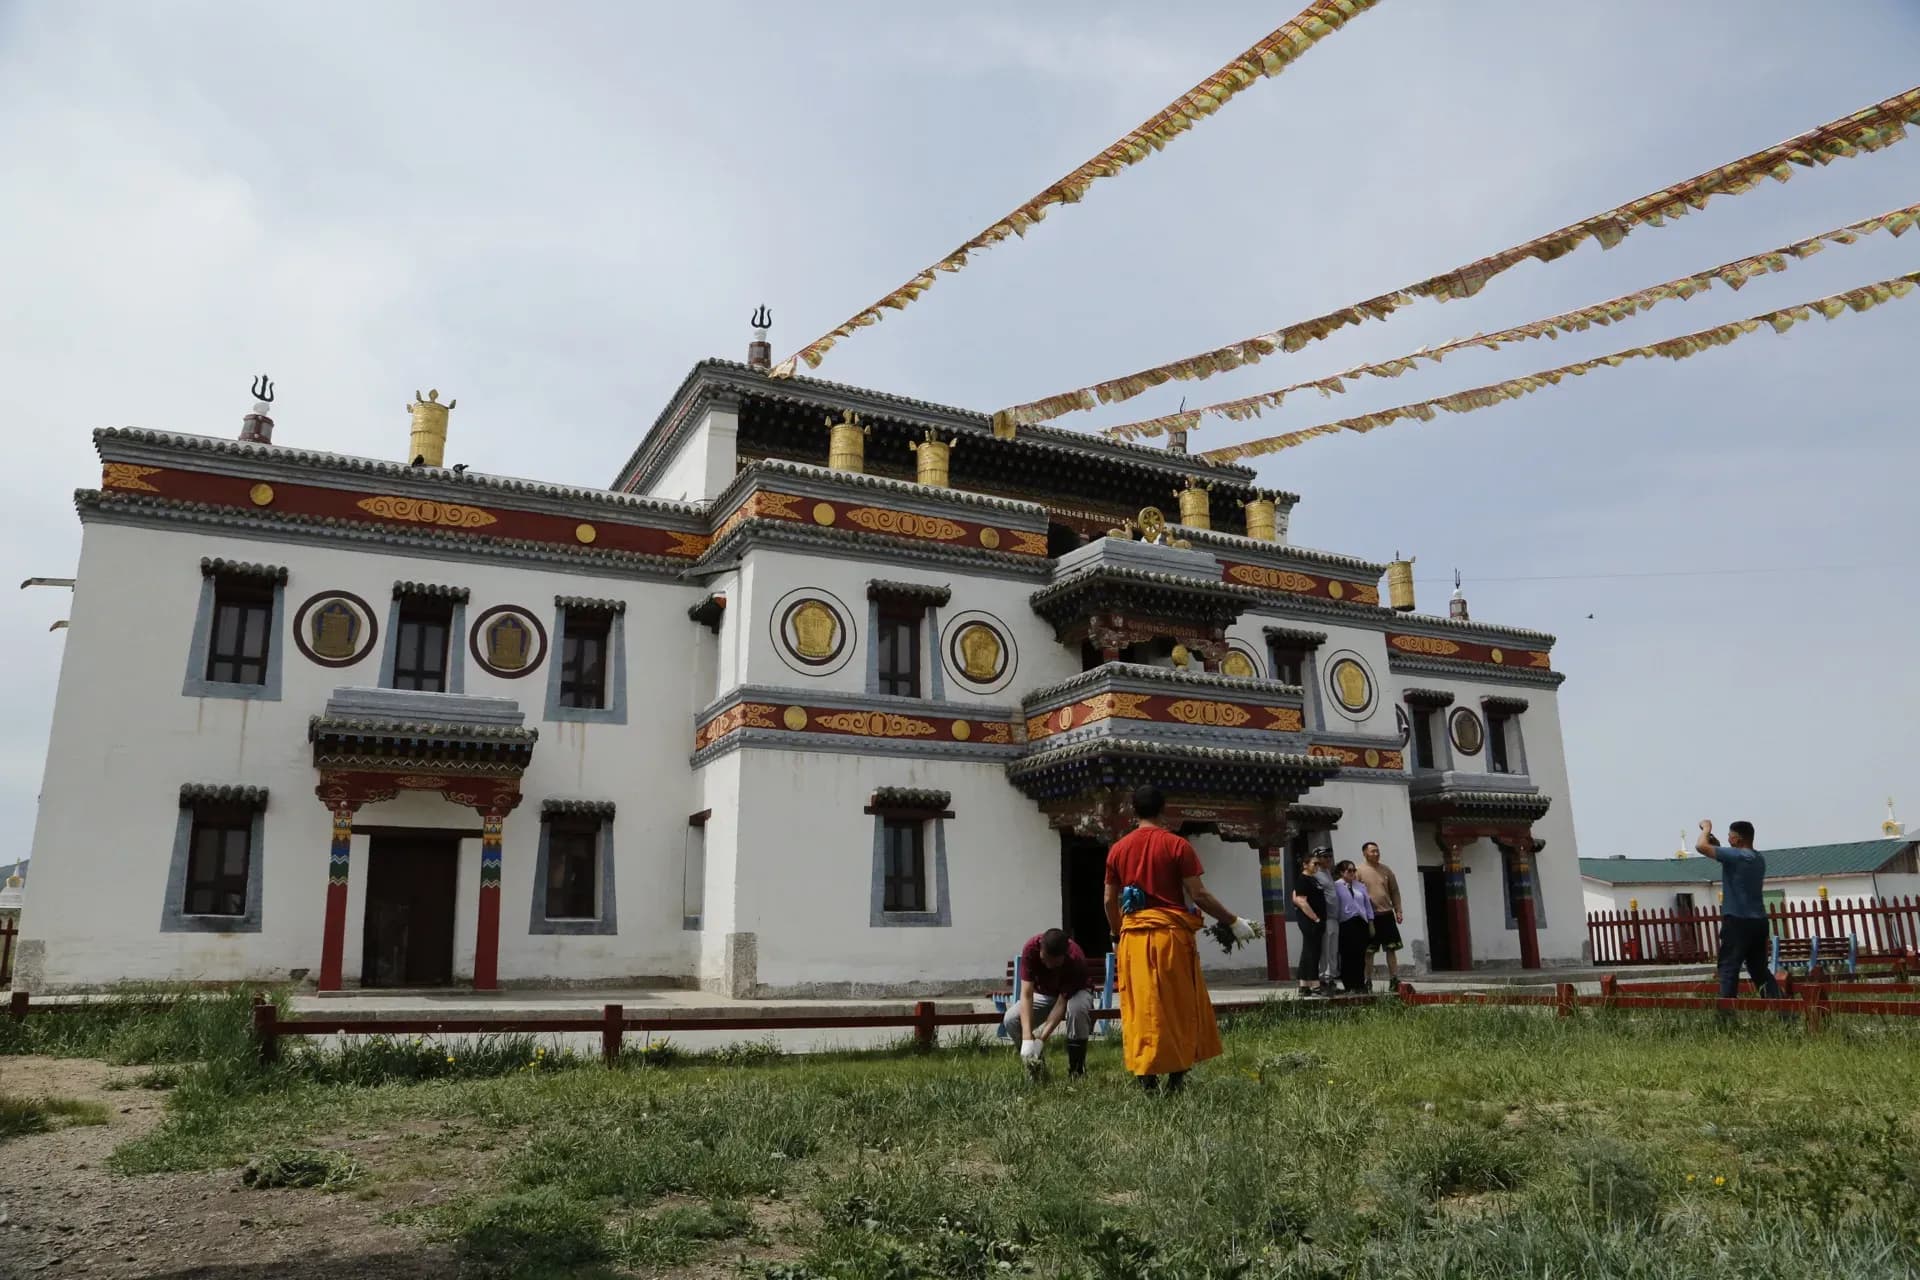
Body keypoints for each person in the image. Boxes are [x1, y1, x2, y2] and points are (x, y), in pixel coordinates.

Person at [1103, 784, 1255, 1093]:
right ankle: (1176, 1076)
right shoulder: (1176, 845)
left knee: (1141, 1006)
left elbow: (1108, 900)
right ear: (1164, 810)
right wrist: (1233, 921)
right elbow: (1198, 894)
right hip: (1169, 936)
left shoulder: (1118, 849)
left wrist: (1118, 932)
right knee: (1176, 1005)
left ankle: (1146, 1075)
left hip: (1133, 938)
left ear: (1133, 811)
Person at [1694, 819, 1783, 1001]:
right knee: (1758, 969)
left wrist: (1706, 828)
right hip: (1758, 921)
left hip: (1737, 921)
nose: (1728, 840)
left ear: (1737, 839)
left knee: (1728, 967)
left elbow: (1701, 846)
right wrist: (1718, 846)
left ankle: (1727, 1011)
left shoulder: (1736, 856)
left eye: (1730, 837)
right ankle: (1781, 1007)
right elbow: (1730, 857)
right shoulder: (1758, 859)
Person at [1004, 927, 1096, 1078]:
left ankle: (1077, 1072)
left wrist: (1040, 1040)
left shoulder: (1075, 959)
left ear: (1064, 956)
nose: (1048, 965)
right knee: (1011, 1019)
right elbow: (1027, 994)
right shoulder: (1030, 949)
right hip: (1045, 992)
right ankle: (1036, 1070)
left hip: (1077, 990)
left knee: (1076, 1010)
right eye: (1045, 960)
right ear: (1041, 948)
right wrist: (1027, 1038)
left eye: (1055, 963)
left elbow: (1061, 1004)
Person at [1356, 841, 1406, 987]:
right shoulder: (1358, 871)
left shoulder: (1386, 870)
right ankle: (1367, 980)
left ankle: (1394, 979)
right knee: (1369, 951)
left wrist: (1398, 910)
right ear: (1365, 853)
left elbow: (1395, 891)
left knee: (1391, 948)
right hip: (1369, 917)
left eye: (1377, 851)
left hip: (1387, 914)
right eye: (1373, 851)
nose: (1376, 854)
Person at [1333, 860, 1376, 992]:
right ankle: (1349, 984)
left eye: (1354, 870)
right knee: (1347, 955)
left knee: (1360, 955)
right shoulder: (1336, 886)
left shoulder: (1360, 886)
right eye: (1349, 871)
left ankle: (1359, 984)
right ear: (1342, 872)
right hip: (1345, 923)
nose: (1352, 873)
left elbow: (1367, 905)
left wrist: (1370, 922)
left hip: (1360, 922)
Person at [1290, 850, 1329, 999]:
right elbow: (1301, 901)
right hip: (1310, 920)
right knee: (1312, 951)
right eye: (1315, 863)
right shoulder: (1303, 879)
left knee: (1309, 950)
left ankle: (1304, 984)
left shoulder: (1313, 879)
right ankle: (1314, 984)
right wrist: (1316, 918)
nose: (1317, 866)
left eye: (1318, 864)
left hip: (1317, 919)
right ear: (1305, 865)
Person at [1310, 848, 1342, 997]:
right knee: (1325, 951)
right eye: (1325, 856)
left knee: (1333, 951)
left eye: (1330, 856)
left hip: (1334, 917)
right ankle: (1323, 979)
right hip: (1324, 917)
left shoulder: (1328, 872)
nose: (1328, 859)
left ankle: (1331, 979)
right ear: (1317, 858)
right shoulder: (1315, 874)